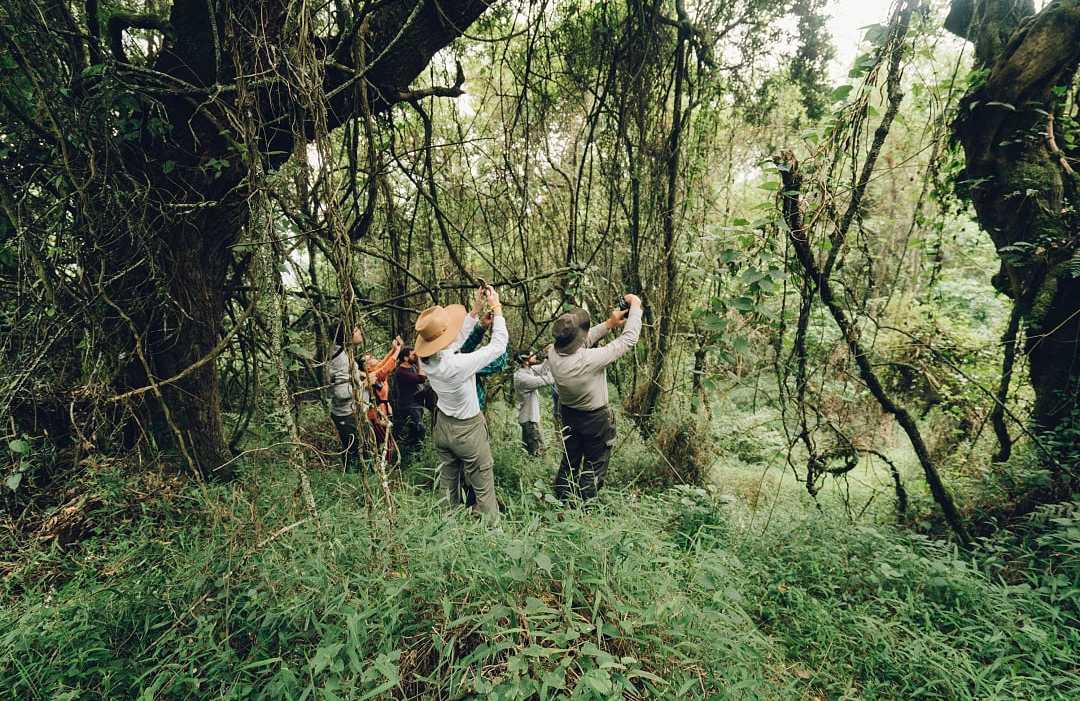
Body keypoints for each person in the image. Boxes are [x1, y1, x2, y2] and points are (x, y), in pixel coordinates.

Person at [416, 286, 507, 516]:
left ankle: (448, 525)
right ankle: (492, 532)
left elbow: (453, 342)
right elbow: (497, 347)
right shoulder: (456, 365)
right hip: (468, 431)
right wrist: (497, 309)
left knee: (448, 483)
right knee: (484, 486)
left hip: (443, 426)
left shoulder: (428, 360)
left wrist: (475, 310)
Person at [545, 294, 643, 502]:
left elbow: (582, 341)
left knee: (570, 461)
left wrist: (609, 323)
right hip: (595, 420)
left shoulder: (552, 353)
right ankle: (586, 508)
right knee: (594, 465)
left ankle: (561, 500)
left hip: (569, 416)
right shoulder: (588, 360)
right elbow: (628, 340)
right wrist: (635, 307)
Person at [328, 321, 401, 469]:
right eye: (356, 330)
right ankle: (354, 481)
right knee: (355, 452)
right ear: (347, 336)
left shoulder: (343, 353)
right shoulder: (340, 359)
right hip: (348, 415)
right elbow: (340, 392)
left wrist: (361, 377)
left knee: (362, 448)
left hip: (354, 412)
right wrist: (365, 384)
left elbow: (379, 368)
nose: (360, 332)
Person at [460, 311, 508, 410]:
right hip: (470, 416)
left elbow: (464, 349)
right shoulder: (461, 364)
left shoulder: (438, 362)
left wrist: (481, 327)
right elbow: (496, 364)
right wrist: (499, 322)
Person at [513, 352, 554, 456]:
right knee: (538, 453)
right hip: (529, 421)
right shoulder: (522, 378)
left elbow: (543, 368)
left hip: (530, 419)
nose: (535, 356)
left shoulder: (528, 370)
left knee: (530, 452)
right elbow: (548, 380)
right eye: (532, 355)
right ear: (525, 361)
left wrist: (549, 356)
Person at [391, 346, 427, 462]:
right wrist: (420, 360)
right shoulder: (401, 372)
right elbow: (422, 378)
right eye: (413, 355)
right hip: (409, 405)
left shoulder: (411, 367)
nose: (415, 357)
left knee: (416, 430)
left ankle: (414, 455)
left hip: (415, 404)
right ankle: (414, 456)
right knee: (417, 430)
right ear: (406, 358)